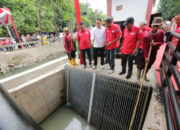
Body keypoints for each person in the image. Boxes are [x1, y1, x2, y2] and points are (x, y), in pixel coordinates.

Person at [137, 17, 165, 81]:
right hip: (145, 51)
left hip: (154, 51)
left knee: (149, 64)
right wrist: (146, 56)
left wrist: (156, 43)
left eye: (157, 26)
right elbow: (145, 47)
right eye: (154, 25)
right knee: (141, 64)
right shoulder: (147, 36)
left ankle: (144, 75)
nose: (156, 27)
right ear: (152, 25)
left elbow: (162, 42)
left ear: (160, 26)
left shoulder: (161, 33)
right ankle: (138, 78)